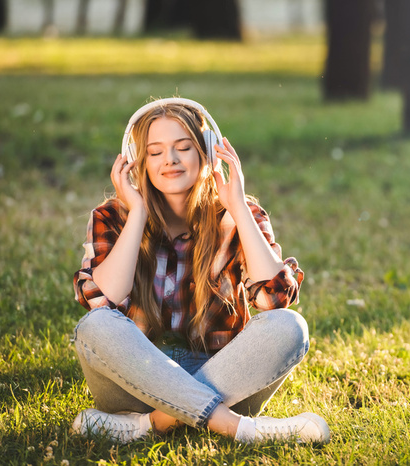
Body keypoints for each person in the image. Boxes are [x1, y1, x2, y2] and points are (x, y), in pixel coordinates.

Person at [70, 98, 330, 444]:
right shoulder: (113, 216)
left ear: (207, 152)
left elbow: (273, 297)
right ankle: (239, 429)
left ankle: (148, 426)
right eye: (155, 152)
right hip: (136, 378)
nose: (170, 160)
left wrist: (237, 205)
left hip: (227, 377)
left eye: (183, 147)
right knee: (96, 326)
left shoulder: (239, 213)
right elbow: (104, 301)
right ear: (138, 162)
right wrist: (138, 214)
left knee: (290, 326)